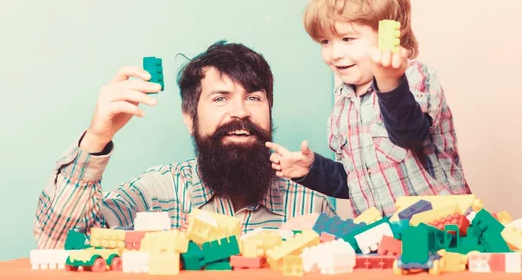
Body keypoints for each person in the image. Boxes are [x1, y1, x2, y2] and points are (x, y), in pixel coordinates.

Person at [33, 40, 335, 249]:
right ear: (190, 117)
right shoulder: (153, 194)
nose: (241, 112)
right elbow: (57, 243)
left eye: (254, 98)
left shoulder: (311, 205)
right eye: (220, 98)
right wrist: (97, 138)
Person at [266, 0, 472, 218]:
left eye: (348, 39)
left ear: (388, 35)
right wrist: (311, 170)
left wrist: (389, 82)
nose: (335, 53)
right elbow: (358, 181)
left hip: (442, 228)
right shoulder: (343, 103)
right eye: (325, 42)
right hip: (383, 238)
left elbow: (409, 135)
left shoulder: (414, 76)